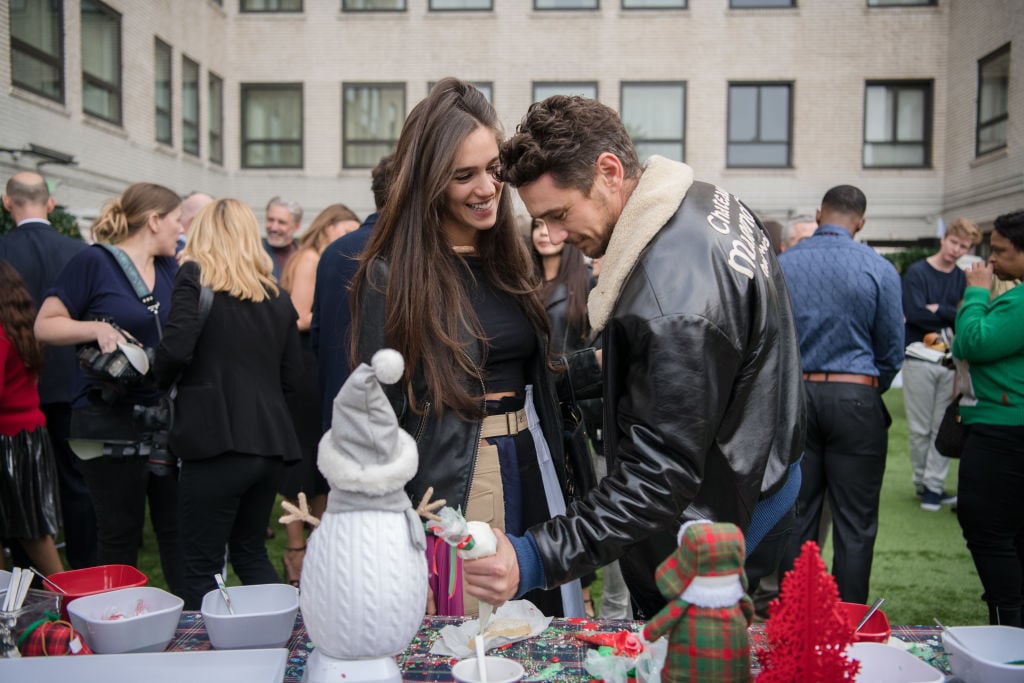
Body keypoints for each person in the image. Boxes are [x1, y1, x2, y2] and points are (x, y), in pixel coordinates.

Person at [463, 94, 805, 620]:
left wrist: (533, 556)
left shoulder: (669, 301)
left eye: (558, 214)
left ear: (609, 171)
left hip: (720, 523)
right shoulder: (704, 203)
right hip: (760, 473)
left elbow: (657, 479)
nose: (554, 235)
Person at [349, 78, 582, 618]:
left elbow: (533, 372)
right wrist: (393, 544)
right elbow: (374, 423)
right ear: (430, 181)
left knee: (543, 635)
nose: (487, 187)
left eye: (494, 170)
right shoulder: (392, 277)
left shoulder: (510, 259)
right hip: (457, 479)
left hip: (534, 461)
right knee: (475, 641)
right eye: (464, 175)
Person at [152, 198, 303, 610]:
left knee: (198, 563)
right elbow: (293, 378)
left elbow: (175, 349)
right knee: (250, 551)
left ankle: (203, 657)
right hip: (269, 443)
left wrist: (156, 378)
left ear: (204, 235)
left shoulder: (193, 279)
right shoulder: (277, 297)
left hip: (212, 439)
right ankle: (283, 639)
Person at [34, 182, 184, 596]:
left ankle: (187, 630)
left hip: (163, 418)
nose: (180, 228)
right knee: (118, 533)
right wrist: (96, 326)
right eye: (176, 220)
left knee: (177, 533)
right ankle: (117, 627)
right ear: (154, 221)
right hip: (106, 420)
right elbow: (45, 324)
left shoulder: (172, 268)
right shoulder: (93, 263)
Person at [777, 185, 904, 605]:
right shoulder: (878, 267)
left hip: (797, 399)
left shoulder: (782, 264)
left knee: (797, 517)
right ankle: (850, 624)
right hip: (856, 396)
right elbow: (890, 349)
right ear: (861, 222)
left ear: (819, 214)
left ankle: (793, 622)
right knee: (855, 524)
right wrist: (867, 388)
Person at [0, 172, 96, 570]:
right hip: (71, 380)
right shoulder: (80, 250)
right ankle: (86, 564)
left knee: (19, 488)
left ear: (8, 203)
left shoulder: (3, 249)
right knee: (77, 482)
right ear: (51, 204)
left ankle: (29, 573)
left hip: (14, 388)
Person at [278, 202, 361, 586]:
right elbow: (298, 314)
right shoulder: (312, 258)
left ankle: (314, 543)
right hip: (304, 368)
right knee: (307, 462)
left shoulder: (306, 256)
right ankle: (300, 549)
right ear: (326, 226)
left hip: (304, 367)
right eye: (343, 229)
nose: (348, 238)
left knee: (312, 461)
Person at [952, 209, 1024, 628]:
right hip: (1005, 425)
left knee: (987, 530)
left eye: (999, 251)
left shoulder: (1017, 298)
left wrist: (977, 293)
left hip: (1004, 431)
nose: (991, 260)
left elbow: (972, 342)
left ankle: (1007, 625)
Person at [902, 217, 980, 511]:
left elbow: (965, 315)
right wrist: (949, 313)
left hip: (951, 360)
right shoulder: (917, 272)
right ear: (944, 239)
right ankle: (923, 482)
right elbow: (914, 313)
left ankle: (934, 486)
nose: (957, 250)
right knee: (920, 428)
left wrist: (939, 310)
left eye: (964, 246)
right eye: (954, 242)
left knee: (942, 425)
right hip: (919, 357)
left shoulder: (963, 278)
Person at [311, 155, 393, 431]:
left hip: (338, 409)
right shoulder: (410, 251)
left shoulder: (332, 251)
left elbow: (317, 334)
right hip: (392, 422)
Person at [0, 260, 64, 576]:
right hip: (30, 433)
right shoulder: (20, 326)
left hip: (8, 439)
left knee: (31, 530)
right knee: (34, 528)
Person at [263, 196, 303, 281]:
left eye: (281, 222)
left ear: (296, 226)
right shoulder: (253, 252)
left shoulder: (303, 257)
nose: (274, 228)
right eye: (270, 220)